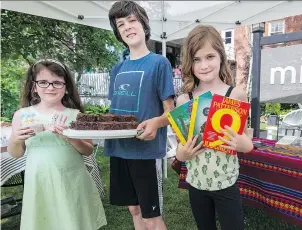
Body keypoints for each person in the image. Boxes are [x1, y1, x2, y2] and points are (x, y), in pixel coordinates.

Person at [7, 59, 106, 230]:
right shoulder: (22, 116)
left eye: (57, 83)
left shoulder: (76, 116)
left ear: (66, 86)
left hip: (72, 181)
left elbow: (88, 151)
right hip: (40, 182)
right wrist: (16, 139)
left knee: (73, 222)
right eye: (43, 82)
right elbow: (16, 153)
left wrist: (71, 138)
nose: (50, 87)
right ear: (34, 86)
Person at [175, 24, 254, 230]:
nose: (204, 65)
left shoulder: (235, 95)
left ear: (221, 56)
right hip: (196, 184)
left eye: (209, 57)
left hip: (226, 184)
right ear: (189, 63)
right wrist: (183, 153)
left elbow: (247, 145)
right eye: (196, 59)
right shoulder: (185, 100)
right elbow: (180, 151)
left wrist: (239, 142)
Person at [106, 1, 175, 230]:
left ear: (144, 25)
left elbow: (171, 112)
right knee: (134, 209)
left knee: (150, 216)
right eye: (121, 24)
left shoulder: (159, 63)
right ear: (118, 32)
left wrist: (156, 122)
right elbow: (114, 110)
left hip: (146, 152)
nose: (127, 27)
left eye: (132, 20)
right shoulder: (116, 69)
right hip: (118, 149)